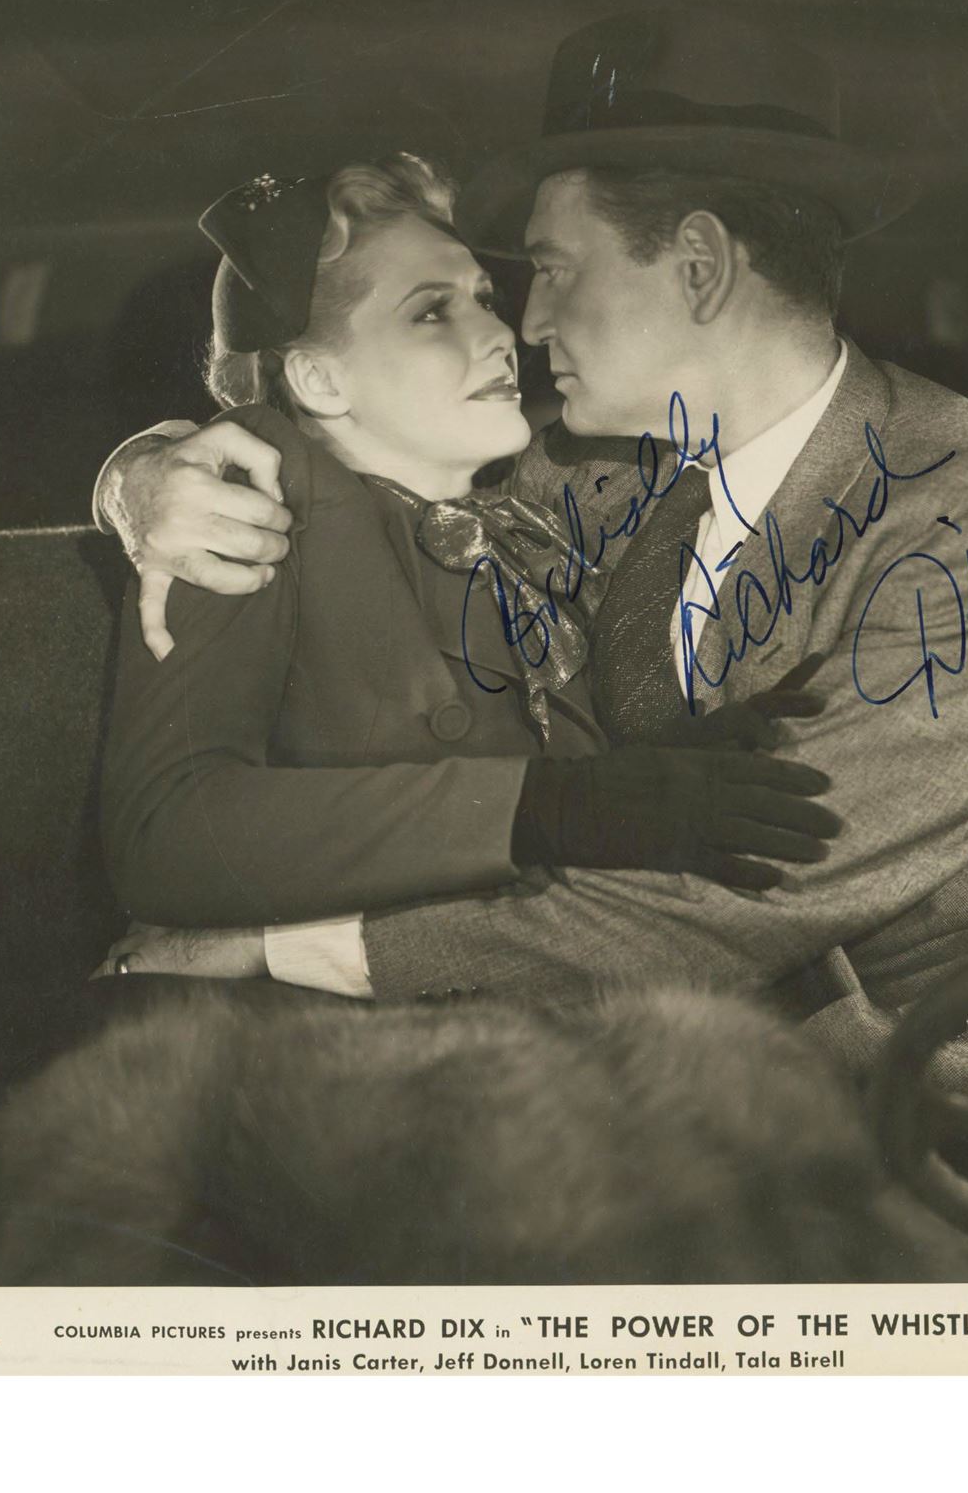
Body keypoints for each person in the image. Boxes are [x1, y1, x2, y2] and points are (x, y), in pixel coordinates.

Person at [96, 10, 968, 1130]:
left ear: (699, 268)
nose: (525, 324)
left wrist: (289, 951)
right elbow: (350, 436)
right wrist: (144, 475)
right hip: (807, 1087)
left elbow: (765, 890)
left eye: (552, 271)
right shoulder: (587, 469)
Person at [96, 151, 844, 994]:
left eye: (485, 299)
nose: (500, 336)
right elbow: (167, 834)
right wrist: (543, 808)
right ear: (318, 379)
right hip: (359, 1035)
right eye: (430, 313)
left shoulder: (527, 524)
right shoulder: (249, 507)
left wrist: (667, 767)